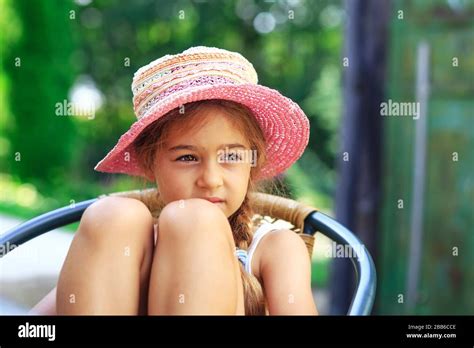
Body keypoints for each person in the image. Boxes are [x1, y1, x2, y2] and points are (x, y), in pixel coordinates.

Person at [29, 46, 317, 315]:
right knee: (112, 213)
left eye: (231, 157)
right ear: (150, 163)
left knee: (193, 219)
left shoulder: (274, 249)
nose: (211, 179)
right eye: (187, 158)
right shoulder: (127, 245)